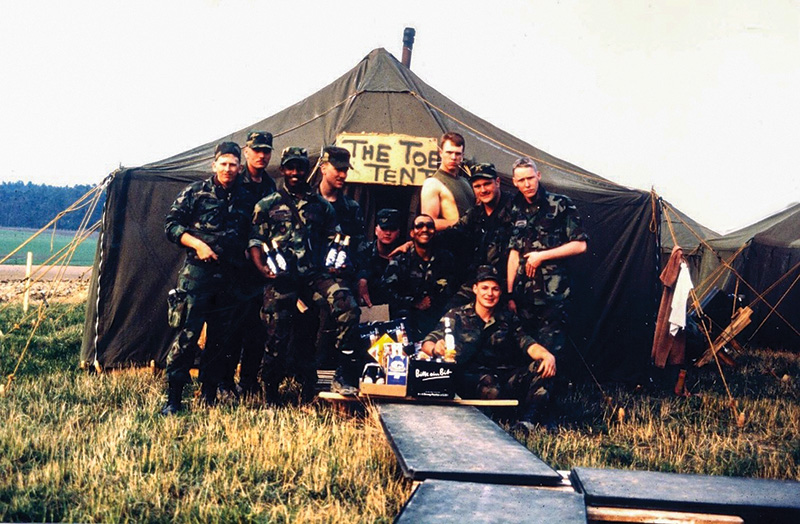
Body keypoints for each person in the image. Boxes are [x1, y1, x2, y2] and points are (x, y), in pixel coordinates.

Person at [248, 146, 362, 398]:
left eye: (300, 166)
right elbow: (255, 242)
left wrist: (338, 262)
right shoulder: (267, 204)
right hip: (282, 278)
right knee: (276, 333)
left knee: (347, 305)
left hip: (313, 276)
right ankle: (270, 391)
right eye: (291, 167)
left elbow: (336, 237)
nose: (296, 172)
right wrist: (261, 267)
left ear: (307, 169)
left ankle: (343, 372)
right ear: (282, 170)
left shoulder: (321, 206)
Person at [162, 141, 253, 414]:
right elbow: (171, 225)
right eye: (223, 164)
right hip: (197, 279)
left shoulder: (246, 197)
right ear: (214, 165)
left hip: (230, 280)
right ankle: (173, 399)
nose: (228, 169)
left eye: (233, 164)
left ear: (240, 167)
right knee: (187, 339)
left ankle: (209, 395)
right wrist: (198, 244)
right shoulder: (196, 192)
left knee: (219, 342)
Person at [422, 265, 556, 429]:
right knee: (491, 388)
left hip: (503, 375)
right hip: (470, 378)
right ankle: (502, 420)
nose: (489, 294)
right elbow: (427, 342)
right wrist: (436, 349)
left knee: (541, 368)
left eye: (495, 289)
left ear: (500, 292)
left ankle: (528, 422)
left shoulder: (507, 318)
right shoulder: (456, 315)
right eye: (484, 288)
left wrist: (547, 356)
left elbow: (527, 343)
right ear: (475, 289)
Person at [506, 157, 588, 355]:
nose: (527, 184)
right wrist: (509, 294)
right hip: (523, 295)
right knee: (526, 350)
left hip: (552, 295)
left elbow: (580, 245)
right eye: (522, 180)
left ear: (538, 176)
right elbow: (514, 253)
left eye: (531, 178)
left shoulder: (560, 204)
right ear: (515, 182)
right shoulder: (515, 209)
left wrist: (542, 256)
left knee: (550, 353)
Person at [224, 131, 276, 398]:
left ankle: (248, 382)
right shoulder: (234, 181)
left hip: (261, 269)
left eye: (266, 150)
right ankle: (225, 383)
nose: (262, 155)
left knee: (257, 329)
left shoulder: (271, 187)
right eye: (257, 150)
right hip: (235, 268)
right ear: (246, 151)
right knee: (232, 327)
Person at [439, 162, 515, 308]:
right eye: (477, 186)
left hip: (506, 282)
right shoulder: (476, 213)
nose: (483, 190)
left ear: (497, 182)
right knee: (450, 311)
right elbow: (452, 233)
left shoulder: (515, 209)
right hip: (479, 280)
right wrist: (414, 242)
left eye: (487, 184)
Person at [381, 214, 455, 341]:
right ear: (412, 233)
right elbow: (386, 292)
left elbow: (453, 289)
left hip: (438, 323)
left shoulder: (446, 259)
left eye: (430, 226)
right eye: (419, 226)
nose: (425, 230)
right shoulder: (401, 261)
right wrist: (414, 303)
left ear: (435, 232)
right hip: (407, 323)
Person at [420, 132, 474, 230]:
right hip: (448, 241)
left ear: (462, 156)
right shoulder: (433, 183)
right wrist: (462, 222)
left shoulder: (465, 181)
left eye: (457, 153)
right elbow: (428, 223)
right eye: (449, 152)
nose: (453, 157)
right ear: (440, 153)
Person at [357, 208, 402, 307]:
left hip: (397, 310)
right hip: (368, 309)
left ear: (398, 232)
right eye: (384, 228)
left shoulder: (404, 257)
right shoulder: (363, 252)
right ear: (376, 230)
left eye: (392, 229)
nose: (388, 233)